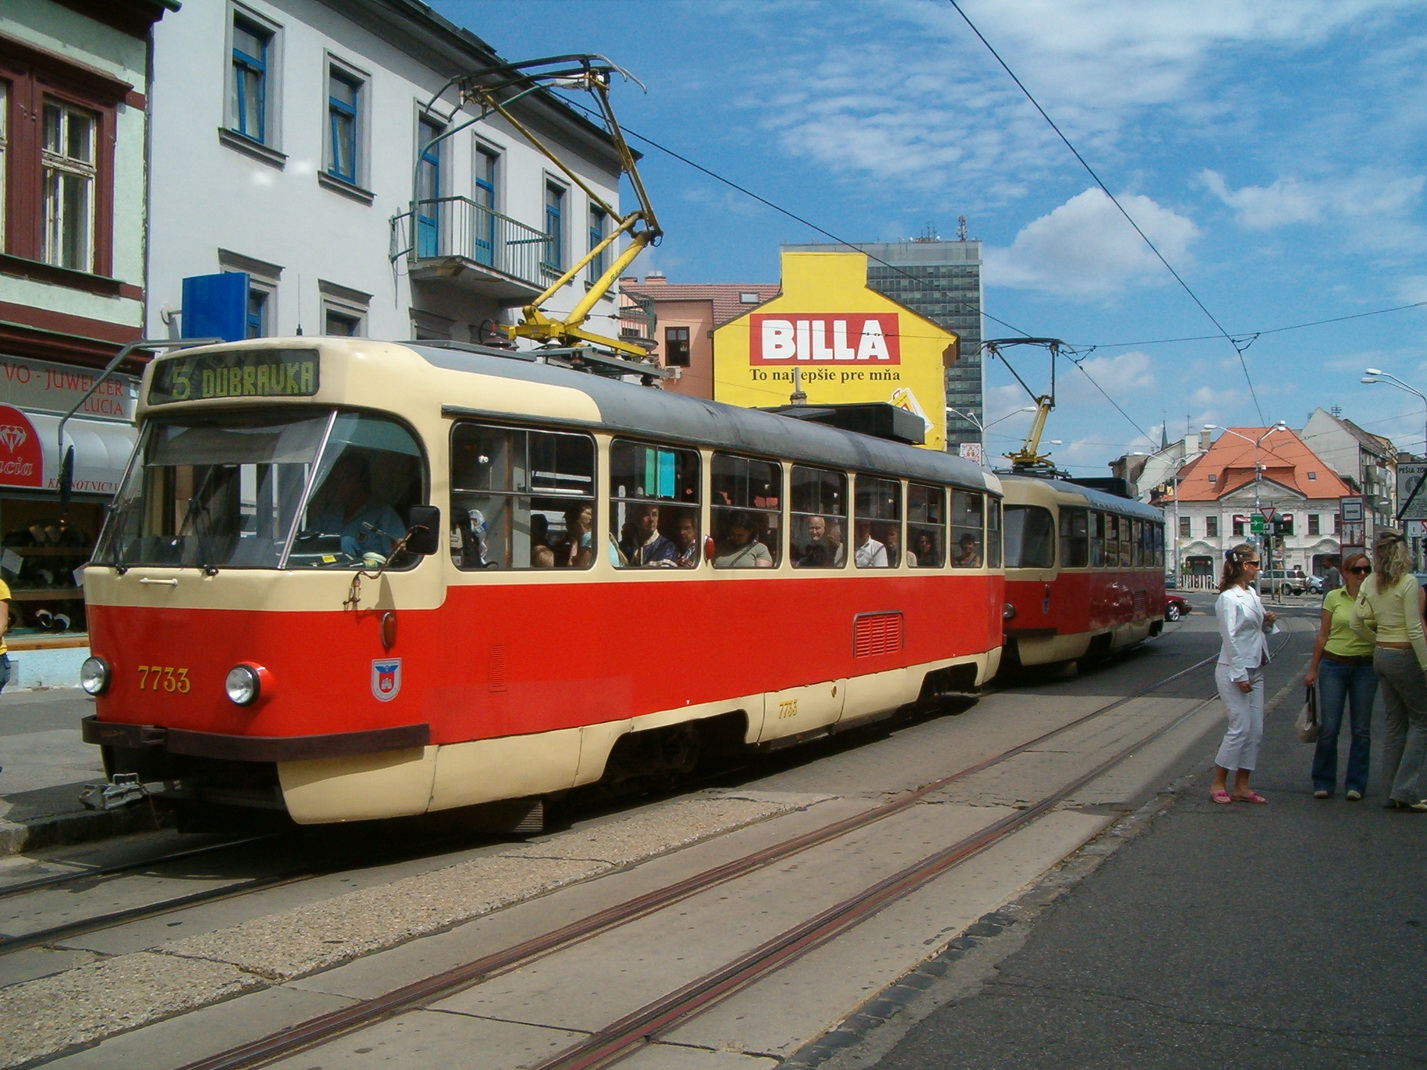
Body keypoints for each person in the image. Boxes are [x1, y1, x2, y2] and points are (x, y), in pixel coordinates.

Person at [1351, 528, 1427, 811]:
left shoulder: (1370, 582)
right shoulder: (1408, 583)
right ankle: (1405, 790)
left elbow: (1356, 623)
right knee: (1421, 721)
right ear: (1402, 553)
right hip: (1404, 654)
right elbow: (1415, 628)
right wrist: (1426, 665)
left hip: (1381, 655)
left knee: (1395, 725)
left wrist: (1378, 641)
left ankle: (1389, 792)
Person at [1303, 551, 1375, 800]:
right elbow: (1323, 634)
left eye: (1366, 569)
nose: (1362, 574)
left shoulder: (1375, 598)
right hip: (1334, 665)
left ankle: (1356, 784)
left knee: (1361, 730)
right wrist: (1313, 669)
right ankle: (1323, 781)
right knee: (1330, 727)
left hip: (1366, 667)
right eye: (1357, 570)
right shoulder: (1334, 597)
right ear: (1345, 573)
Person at [1210, 544, 1277, 804]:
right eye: (1256, 564)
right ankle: (1218, 782)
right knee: (1240, 726)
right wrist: (1240, 675)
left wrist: (1267, 623)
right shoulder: (1228, 598)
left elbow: (1254, 631)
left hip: (1255, 666)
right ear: (1245, 566)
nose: (1259, 569)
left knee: (1255, 730)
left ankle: (1242, 785)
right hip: (1233, 670)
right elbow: (1230, 638)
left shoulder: (1251, 594)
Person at [311, 453, 405, 560]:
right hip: (323, 568)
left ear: (359, 481)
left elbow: (397, 556)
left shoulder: (384, 515)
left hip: (366, 570)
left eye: (341, 478)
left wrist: (400, 549)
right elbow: (309, 542)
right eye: (334, 479)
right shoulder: (331, 513)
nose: (336, 485)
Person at [554, 503, 594, 568]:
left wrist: (574, 544)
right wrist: (562, 542)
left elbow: (574, 569)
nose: (567, 528)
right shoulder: (593, 536)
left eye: (568, 524)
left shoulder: (588, 537)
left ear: (577, 525)